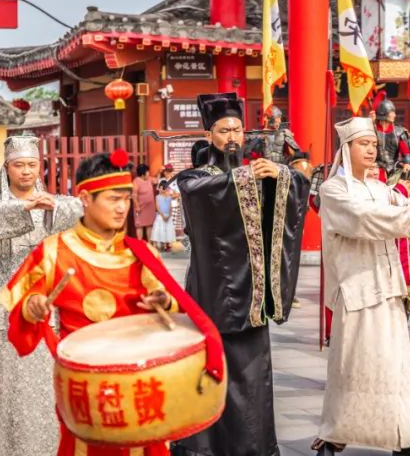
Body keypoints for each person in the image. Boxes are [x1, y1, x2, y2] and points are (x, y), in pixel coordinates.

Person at [2, 150, 224, 456]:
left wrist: (164, 301)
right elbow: (20, 315)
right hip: (86, 387)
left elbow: (171, 302)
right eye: (113, 199)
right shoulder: (55, 251)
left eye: (126, 198)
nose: (122, 208)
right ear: (85, 198)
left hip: (139, 383)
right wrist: (33, 306)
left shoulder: (140, 253)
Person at [172, 93, 309, 456]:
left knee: (252, 379)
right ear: (209, 136)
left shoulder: (259, 174)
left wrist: (282, 177)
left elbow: (294, 193)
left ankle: (254, 447)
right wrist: (246, 176)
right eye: (223, 130)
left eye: (237, 129)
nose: (232, 137)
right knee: (208, 372)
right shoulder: (196, 178)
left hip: (252, 294)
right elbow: (198, 192)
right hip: (212, 294)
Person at [313, 117, 410, 456]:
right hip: (356, 289)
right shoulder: (334, 190)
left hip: (388, 286)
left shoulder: (381, 189)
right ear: (346, 148)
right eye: (363, 144)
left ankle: (404, 438)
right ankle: (333, 436)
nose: (371, 149)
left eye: (373, 144)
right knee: (352, 367)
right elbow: (362, 218)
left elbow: (402, 212)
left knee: (395, 368)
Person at [0, 135, 82, 456]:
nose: (27, 171)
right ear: (7, 168)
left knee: (45, 389)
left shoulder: (54, 202)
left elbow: (81, 209)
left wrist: (52, 206)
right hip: (3, 310)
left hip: (46, 309)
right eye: (19, 165)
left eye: (32, 164)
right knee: (2, 388)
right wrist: (24, 207)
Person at [374, 97, 410, 176]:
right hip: (374, 169)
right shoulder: (372, 130)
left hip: (393, 169)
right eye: (392, 112)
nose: (394, 115)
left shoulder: (399, 132)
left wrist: (407, 163)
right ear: (383, 113)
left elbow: (406, 154)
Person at [132, 164, 156, 241]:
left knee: (150, 225)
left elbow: (157, 180)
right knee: (139, 226)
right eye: (147, 172)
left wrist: (160, 172)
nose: (148, 173)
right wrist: (137, 206)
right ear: (143, 174)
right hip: (140, 207)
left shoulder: (149, 179)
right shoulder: (136, 181)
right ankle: (140, 244)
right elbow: (134, 195)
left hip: (150, 208)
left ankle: (149, 243)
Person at [152, 177, 176, 251]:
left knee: (168, 230)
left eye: (164, 188)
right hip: (160, 216)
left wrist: (169, 215)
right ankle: (161, 244)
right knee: (160, 230)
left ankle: (167, 244)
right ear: (159, 188)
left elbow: (171, 207)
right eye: (161, 188)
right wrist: (162, 216)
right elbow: (157, 207)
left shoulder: (169, 196)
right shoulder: (157, 197)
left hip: (168, 216)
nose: (162, 190)